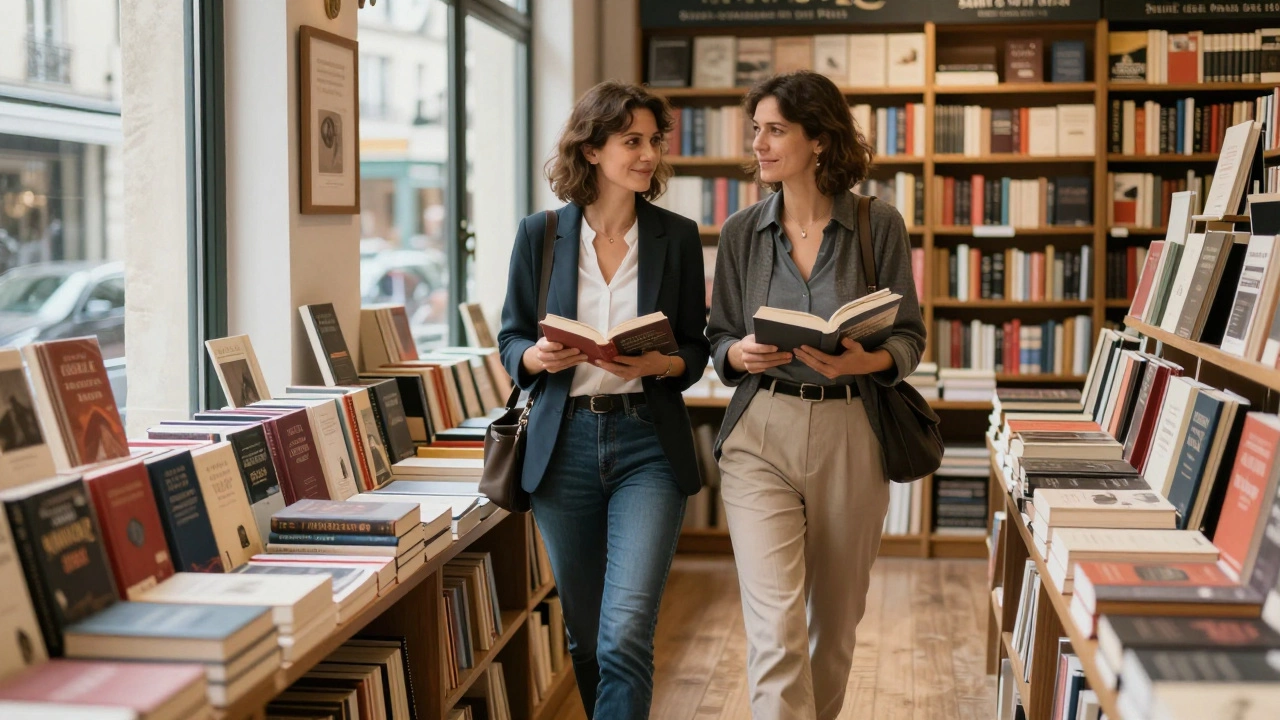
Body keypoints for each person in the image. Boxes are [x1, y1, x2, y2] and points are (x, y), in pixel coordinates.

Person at [706, 70, 926, 720]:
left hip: (852, 429)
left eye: (775, 130)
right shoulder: (742, 231)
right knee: (776, 629)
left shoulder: (877, 222)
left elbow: (910, 335)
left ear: (820, 140)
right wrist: (737, 353)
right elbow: (719, 334)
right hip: (759, 434)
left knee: (833, 629)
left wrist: (870, 357)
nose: (760, 144)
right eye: (756, 131)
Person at [497, 80, 709, 720]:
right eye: (632, 141)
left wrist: (662, 362)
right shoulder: (541, 235)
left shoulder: (676, 236)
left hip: (648, 444)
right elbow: (510, 337)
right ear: (591, 151)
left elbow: (696, 350)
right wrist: (536, 358)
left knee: (624, 634)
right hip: (563, 449)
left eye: (654, 141)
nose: (648, 155)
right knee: (586, 639)